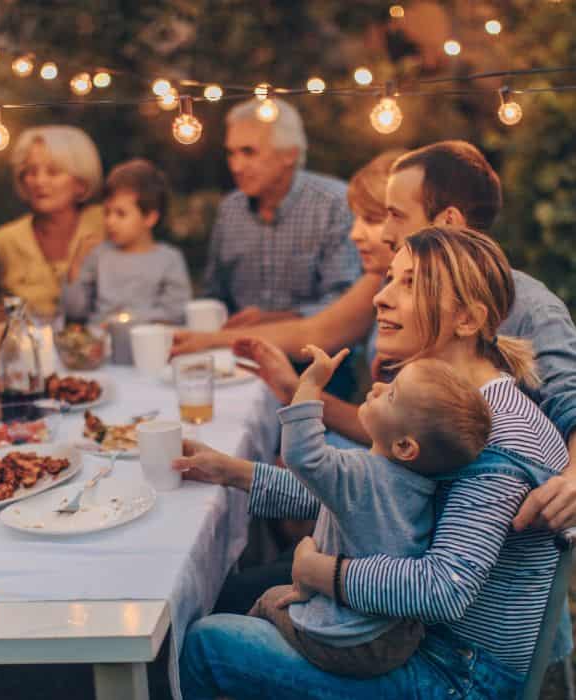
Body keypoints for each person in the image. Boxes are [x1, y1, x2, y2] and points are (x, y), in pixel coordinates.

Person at [178, 227, 569, 699]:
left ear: (467, 319)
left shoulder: (494, 434)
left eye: (410, 284)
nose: (381, 297)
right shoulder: (447, 407)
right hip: (408, 637)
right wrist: (232, 472)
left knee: (207, 646)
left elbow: (444, 588)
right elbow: (367, 492)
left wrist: (321, 572)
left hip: (456, 675)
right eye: (389, 278)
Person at [234, 140, 576, 530]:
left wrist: (332, 574)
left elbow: (567, 404)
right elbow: (388, 481)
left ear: (448, 221)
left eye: (393, 214)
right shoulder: (419, 316)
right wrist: (233, 472)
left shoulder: (529, 313)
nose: (382, 233)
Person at [250, 348, 492, 679]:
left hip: (344, 641)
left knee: (266, 601)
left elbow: (301, 454)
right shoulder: (425, 486)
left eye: (391, 395)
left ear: (405, 447)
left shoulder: (359, 475)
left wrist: (308, 386)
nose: (377, 387)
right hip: (394, 638)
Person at [202, 97, 365, 328]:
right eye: (231, 153)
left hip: (318, 357)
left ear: (289, 154)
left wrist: (271, 321)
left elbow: (346, 301)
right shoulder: (230, 209)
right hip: (236, 353)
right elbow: (214, 295)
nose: (236, 166)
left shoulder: (334, 204)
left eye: (249, 152)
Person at [0, 125, 105, 317]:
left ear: (81, 182)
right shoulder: (4, 241)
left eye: (53, 172)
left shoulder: (106, 223)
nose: (39, 181)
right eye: (31, 172)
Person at [62, 158, 191, 324]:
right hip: (101, 341)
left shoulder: (169, 260)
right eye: (107, 213)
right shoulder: (99, 255)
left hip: (148, 341)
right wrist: (76, 265)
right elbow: (75, 310)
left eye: (120, 214)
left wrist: (129, 321)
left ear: (150, 218)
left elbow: (176, 312)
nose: (110, 221)